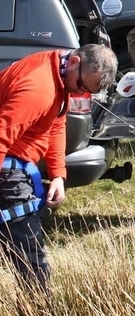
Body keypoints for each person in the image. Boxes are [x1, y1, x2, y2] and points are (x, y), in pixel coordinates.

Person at [0, 44, 116, 290]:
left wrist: (57, 175)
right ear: (75, 61)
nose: (79, 93)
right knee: (31, 263)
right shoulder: (38, 89)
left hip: (15, 164)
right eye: (82, 86)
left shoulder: (58, 70)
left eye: (88, 92)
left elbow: (56, 123)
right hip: (7, 169)